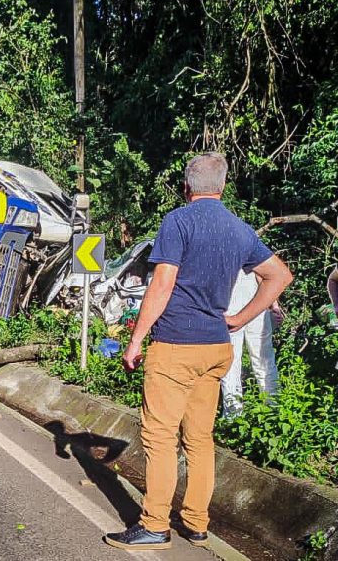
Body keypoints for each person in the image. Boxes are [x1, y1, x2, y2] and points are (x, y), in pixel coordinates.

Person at [104, 153, 293, 551]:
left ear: (187, 186)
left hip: (177, 346)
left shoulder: (178, 222)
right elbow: (280, 275)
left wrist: (136, 339)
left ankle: (154, 524)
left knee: (159, 437)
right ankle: (196, 522)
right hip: (216, 349)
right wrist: (240, 317)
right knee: (200, 438)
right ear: (223, 187)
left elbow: (162, 285)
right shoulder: (239, 229)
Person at [221, 271, 282, 417]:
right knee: (264, 361)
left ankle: (233, 414)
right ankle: (274, 410)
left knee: (230, 363)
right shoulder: (251, 248)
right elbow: (264, 276)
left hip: (228, 306)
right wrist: (274, 305)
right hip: (257, 306)